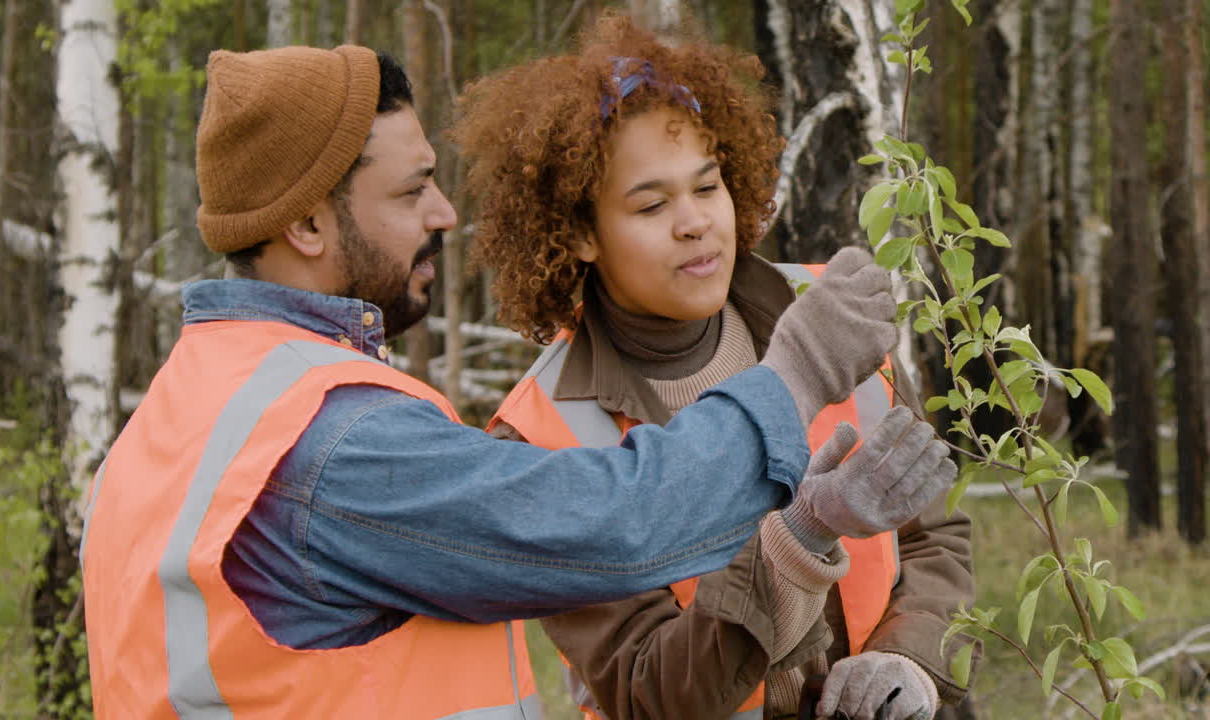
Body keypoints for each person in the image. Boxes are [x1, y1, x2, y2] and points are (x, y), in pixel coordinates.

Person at [78, 43, 900, 719]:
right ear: (305, 224)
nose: (444, 213)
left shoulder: (182, 411)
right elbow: (615, 524)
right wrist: (794, 379)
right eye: (410, 192)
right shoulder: (329, 443)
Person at [454, 12, 977, 720]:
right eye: (651, 204)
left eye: (707, 187)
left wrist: (909, 660)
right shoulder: (545, 436)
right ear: (578, 234)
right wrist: (800, 538)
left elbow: (934, 534)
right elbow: (648, 690)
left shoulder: (829, 317)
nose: (695, 221)